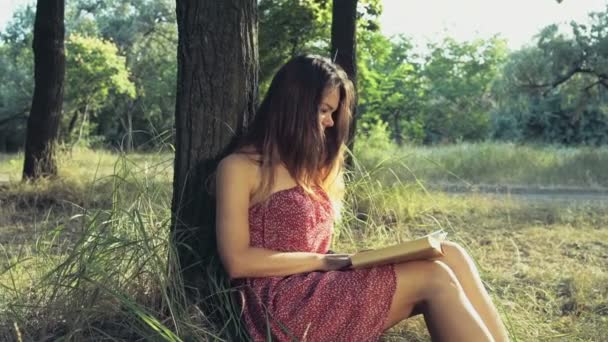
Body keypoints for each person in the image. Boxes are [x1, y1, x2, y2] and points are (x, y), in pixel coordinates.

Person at [215, 55, 509, 342]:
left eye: (333, 112)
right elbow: (238, 261)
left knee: (450, 253)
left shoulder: (313, 169)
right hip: (282, 305)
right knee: (432, 276)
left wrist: (358, 261)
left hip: (320, 284)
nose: (330, 122)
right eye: (323, 110)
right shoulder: (240, 168)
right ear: (294, 106)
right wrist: (324, 262)